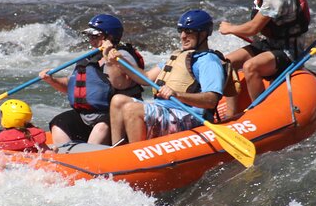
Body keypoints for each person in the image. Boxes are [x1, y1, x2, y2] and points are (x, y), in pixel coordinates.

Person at [219, 0, 311, 113]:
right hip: (270, 45)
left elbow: (253, 28)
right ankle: (231, 115)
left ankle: (261, 113)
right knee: (226, 63)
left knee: (250, 67)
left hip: (289, 51)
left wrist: (230, 28)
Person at [108, 9, 225, 144]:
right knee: (117, 100)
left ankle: (138, 154)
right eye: (181, 31)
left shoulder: (208, 61)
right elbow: (145, 77)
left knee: (132, 109)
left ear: (203, 33)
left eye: (189, 32)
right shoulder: (180, 56)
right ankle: (117, 149)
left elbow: (211, 100)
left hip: (189, 117)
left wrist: (177, 94)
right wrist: (120, 61)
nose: (182, 36)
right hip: (165, 110)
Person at [39, 14, 144, 146]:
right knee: (59, 123)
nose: (90, 40)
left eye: (95, 36)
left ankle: (90, 160)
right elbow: (73, 86)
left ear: (109, 37)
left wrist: (110, 60)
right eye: (89, 36)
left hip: (114, 115)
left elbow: (121, 84)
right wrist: (51, 80)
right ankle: (66, 158)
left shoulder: (122, 56)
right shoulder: (90, 57)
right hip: (87, 115)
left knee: (101, 128)